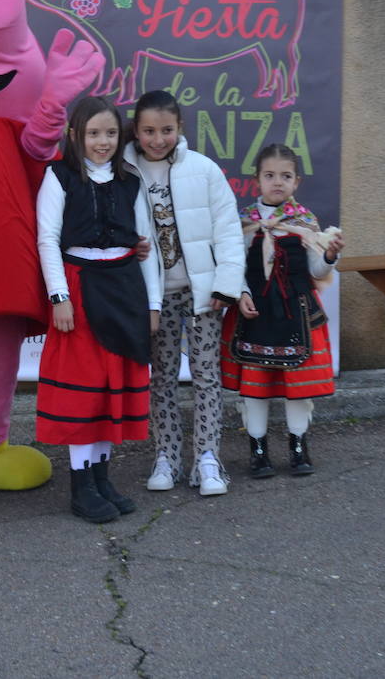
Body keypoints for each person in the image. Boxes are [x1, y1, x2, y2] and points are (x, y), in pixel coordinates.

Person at [36, 96, 161, 523]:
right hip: (80, 288)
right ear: (75, 136)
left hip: (125, 288)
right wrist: (59, 297)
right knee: (85, 392)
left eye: (110, 133)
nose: (102, 142)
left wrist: (153, 303)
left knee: (112, 389)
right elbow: (47, 240)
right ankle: (81, 485)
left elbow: (147, 246)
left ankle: (102, 477)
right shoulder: (59, 176)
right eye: (93, 133)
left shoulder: (130, 179)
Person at [124, 90, 246, 497]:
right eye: (149, 131)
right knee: (160, 379)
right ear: (136, 131)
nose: (158, 139)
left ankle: (208, 458)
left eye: (167, 130)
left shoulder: (203, 170)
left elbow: (228, 229)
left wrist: (227, 285)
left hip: (203, 295)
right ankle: (167, 456)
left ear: (180, 129)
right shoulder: (123, 171)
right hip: (156, 298)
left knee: (207, 377)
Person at [220, 144, 344, 478]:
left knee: (297, 388)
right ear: (256, 180)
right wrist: (241, 293)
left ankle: (298, 447)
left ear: (297, 181)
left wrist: (329, 256)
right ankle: (258, 452)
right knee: (256, 388)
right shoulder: (243, 223)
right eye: (270, 175)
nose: (278, 182)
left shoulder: (305, 222)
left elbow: (317, 271)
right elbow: (234, 267)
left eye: (285, 176)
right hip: (254, 315)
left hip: (297, 315)